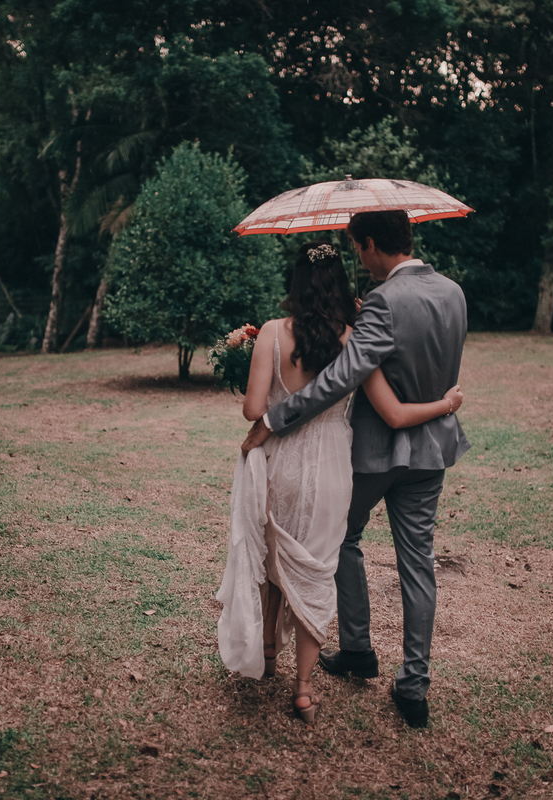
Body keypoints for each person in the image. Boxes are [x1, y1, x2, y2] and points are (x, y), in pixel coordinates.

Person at [217, 240, 463, 725]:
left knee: (274, 558)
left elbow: (255, 409)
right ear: (343, 287)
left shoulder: (273, 332)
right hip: (346, 462)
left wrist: (261, 395)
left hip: (293, 459)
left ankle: (276, 652)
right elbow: (390, 408)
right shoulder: (363, 333)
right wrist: (447, 405)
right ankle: (312, 689)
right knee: (323, 564)